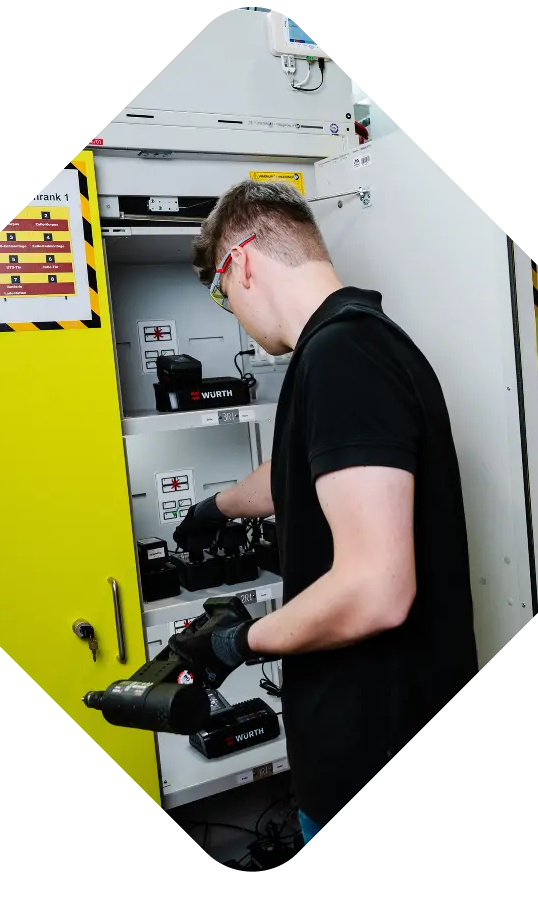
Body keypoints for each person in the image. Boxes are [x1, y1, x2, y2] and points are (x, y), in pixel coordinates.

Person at [167, 179, 480, 848]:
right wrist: (213, 507)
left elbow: (375, 591)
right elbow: (304, 476)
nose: (235, 315)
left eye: (224, 297)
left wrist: (239, 641)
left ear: (241, 261)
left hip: (372, 749)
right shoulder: (348, 345)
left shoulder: (344, 357)